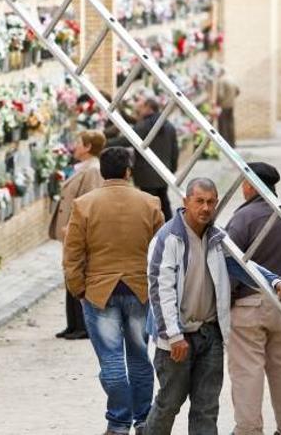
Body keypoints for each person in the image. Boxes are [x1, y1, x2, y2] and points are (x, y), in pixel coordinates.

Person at [144, 178, 281, 435]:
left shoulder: (217, 238)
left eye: (211, 202)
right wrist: (174, 335)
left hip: (210, 334)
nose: (205, 208)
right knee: (169, 403)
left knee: (206, 407)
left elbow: (246, 266)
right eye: (199, 201)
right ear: (185, 202)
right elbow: (160, 290)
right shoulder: (168, 239)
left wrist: (276, 282)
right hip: (176, 338)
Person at [62, 147, 164, 435]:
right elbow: (161, 251)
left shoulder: (84, 204)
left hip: (99, 291)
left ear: (102, 171)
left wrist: (78, 288)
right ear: (128, 171)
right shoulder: (150, 203)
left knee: (111, 359)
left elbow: (73, 253)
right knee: (139, 357)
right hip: (139, 289)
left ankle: (118, 422)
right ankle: (144, 420)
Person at [225, 163, 281, 435]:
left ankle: (249, 430)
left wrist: (224, 303)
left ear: (250, 185)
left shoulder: (242, 219)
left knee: (247, 372)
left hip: (248, 305)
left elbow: (227, 264)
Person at [50, 130, 107, 340]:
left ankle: (82, 326)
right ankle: (72, 324)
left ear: (88, 147)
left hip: (77, 232)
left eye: (78, 142)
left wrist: (75, 226)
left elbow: (88, 201)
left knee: (77, 273)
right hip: (70, 232)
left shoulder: (92, 170)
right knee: (69, 273)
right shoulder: (82, 168)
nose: (74, 145)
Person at [108, 98, 179, 220]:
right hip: (164, 173)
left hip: (146, 174)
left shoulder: (145, 125)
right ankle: (170, 228)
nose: (138, 111)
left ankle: (152, 231)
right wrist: (171, 169)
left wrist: (106, 142)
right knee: (164, 201)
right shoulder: (169, 126)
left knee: (149, 205)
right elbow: (175, 151)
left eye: (140, 108)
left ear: (148, 108)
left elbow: (127, 140)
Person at [216, 70, 240, 147]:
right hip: (231, 104)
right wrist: (232, 98)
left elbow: (220, 94)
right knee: (230, 124)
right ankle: (232, 143)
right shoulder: (231, 79)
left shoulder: (221, 81)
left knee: (223, 125)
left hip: (223, 106)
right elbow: (238, 91)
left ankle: (224, 144)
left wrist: (218, 102)